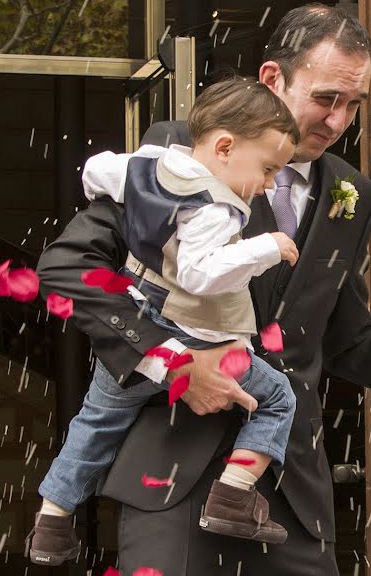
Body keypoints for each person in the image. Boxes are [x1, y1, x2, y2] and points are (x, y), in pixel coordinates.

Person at [36, 4, 371, 575]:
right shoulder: (184, 151)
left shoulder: (354, 194)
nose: (339, 121)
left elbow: (348, 340)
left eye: (353, 105)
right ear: (273, 79)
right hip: (174, 480)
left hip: (292, 496)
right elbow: (69, 268)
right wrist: (173, 362)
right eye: (325, 99)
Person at [28, 79, 304, 565]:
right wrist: (267, 247)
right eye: (267, 170)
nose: (267, 185)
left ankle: (52, 522)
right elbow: (193, 274)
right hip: (187, 342)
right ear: (225, 146)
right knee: (277, 395)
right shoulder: (215, 203)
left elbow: (96, 171)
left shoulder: (149, 165)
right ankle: (234, 495)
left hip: (140, 303)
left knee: (94, 423)